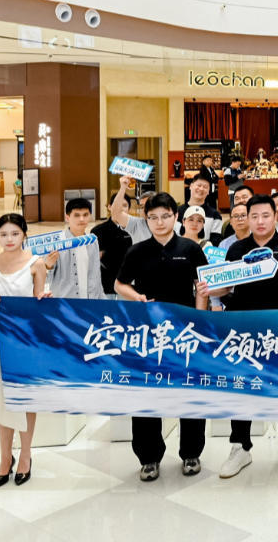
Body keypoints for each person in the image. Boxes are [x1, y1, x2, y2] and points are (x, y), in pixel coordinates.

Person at [210, 194, 278, 479]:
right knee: (242, 385)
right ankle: (240, 446)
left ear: (275, 216)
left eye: (265, 215)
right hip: (242, 328)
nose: (259, 221)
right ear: (246, 218)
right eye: (254, 216)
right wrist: (209, 289)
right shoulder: (236, 249)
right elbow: (226, 287)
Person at [115, 193, 209, 481]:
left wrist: (199, 320)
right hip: (148, 333)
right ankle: (149, 457)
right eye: (153, 217)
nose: (159, 222)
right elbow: (119, 284)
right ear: (146, 220)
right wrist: (137, 297)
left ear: (175, 217)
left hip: (185, 332)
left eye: (165, 216)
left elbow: (202, 287)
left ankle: (191, 452)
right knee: (147, 393)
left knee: (189, 391)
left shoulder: (191, 249)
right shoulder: (137, 251)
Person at [0, 213, 49, 487]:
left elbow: (39, 302)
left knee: (25, 399)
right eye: (3, 234)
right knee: (1, 399)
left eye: (15, 233)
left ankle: (26, 455)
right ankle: (6, 458)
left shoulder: (36, 264)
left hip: (25, 340)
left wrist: (45, 300)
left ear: (24, 234)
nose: (9, 239)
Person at [43, 197, 105, 299]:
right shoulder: (56, 243)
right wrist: (48, 266)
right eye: (77, 215)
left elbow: (96, 276)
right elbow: (44, 280)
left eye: (85, 215)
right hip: (66, 302)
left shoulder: (93, 242)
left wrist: (101, 299)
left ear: (90, 216)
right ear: (67, 218)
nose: (82, 219)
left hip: (91, 301)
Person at [91, 195, 132, 297]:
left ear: (129, 209)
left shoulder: (133, 230)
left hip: (128, 286)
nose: (121, 208)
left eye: (125, 205)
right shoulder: (98, 231)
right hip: (105, 286)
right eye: (117, 205)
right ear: (109, 207)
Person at [179, 175, 223, 244]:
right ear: (191, 186)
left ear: (208, 191)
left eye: (205, 187)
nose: (201, 189)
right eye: (199, 185)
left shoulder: (215, 215)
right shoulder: (177, 212)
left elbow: (216, 241)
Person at [110, 176, 152, 243]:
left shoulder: (167, 224)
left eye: (148, 205)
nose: (145, 209)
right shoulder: (137, 224)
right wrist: (123, 187)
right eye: (142, 207)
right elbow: (116, 213)